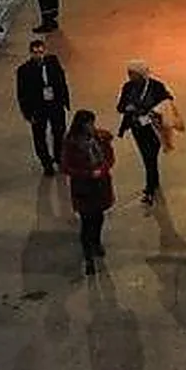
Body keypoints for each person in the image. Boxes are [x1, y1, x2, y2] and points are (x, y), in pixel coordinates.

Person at [60, 109, 115, 276]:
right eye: (88, 123)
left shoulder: (100, 138)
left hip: (100, 185)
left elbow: (110, 157)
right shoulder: (71, 143)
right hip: (83, 187)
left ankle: (96, 242)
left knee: (98, 217)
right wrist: (88, 173)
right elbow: (66, 166)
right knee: (86, 221)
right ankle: (88, 256)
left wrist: (102, 169)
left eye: (92, 122)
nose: (91, 126)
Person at [116, 61, 172, 204]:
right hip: (137, 127)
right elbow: (120, 106)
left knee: (150, 156)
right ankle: (153, 181)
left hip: (154, 127)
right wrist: (127, 108)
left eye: (132, 73)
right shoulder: (128, 87)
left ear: (141, 74)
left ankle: (150, 187)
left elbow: (168, 100)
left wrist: (155, 111)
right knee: (147, 157)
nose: (129, 76)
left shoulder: (156, 86)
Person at [16, 39, 70, 175]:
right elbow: (22, 93)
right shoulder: (24, 71)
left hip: (55, 104)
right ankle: (46, 162)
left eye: (41, 52)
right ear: (30, 53)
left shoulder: (53, 63)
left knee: (59, 131)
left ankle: (59, 157)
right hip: (38, 107)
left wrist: (64, 101)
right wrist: (28, 113)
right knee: (39, 135)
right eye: (35, 53)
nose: (38, 55)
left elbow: (62, 82)